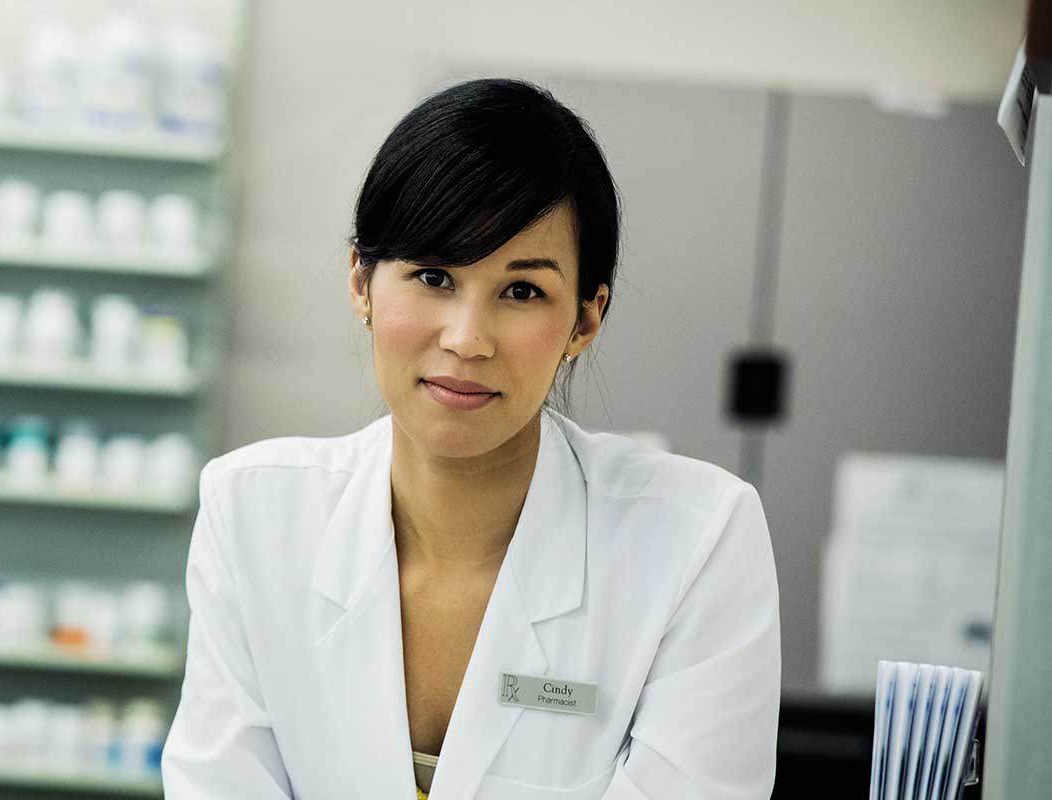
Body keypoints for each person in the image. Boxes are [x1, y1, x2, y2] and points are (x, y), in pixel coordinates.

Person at [161, 77, 780, 799]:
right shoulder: (254, 513)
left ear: (586, 319)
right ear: (361, 282)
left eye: (522, 291)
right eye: (432, 275)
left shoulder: (698, 539)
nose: (467, 339)